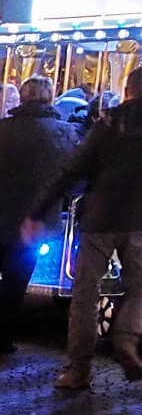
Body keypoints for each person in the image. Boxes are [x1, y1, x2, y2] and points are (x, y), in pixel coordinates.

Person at [29, 64, 142, 390]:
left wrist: (39, 211)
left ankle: (78, 367)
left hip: (100, 218)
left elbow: (73, 169)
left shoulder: (106, 123)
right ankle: (126, 338)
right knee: (138, 286)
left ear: (127, 90)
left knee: (85, 293)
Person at [1, 77, 78, 358]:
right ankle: (3, 337)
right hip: (35, 222)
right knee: (15, 283)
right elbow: (75, 177)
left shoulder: (4, 129)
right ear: (50, 98)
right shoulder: (64, 133)